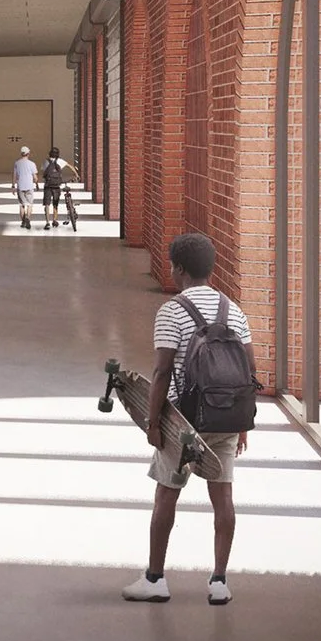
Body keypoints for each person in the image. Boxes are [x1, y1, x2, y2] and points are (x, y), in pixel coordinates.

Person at [123, 233, 252, 606]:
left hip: (183, 421)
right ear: (210, 268)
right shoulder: (234, 310)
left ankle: (155, 579)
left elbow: (162, 372)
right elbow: (248, 368)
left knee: (167, 493)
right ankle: (219, 581)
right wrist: (241, 423)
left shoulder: (172, 311)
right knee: (223, 496)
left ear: (178, 268)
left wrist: (152, 422)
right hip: (225, 414)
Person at [41, 147, 78, 230]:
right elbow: (70, 166)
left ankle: (47, 222)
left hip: (48, 186)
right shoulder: (60, 161)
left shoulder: (46, 161)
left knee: (47, 205)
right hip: (56, 186)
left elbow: (43, 172)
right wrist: (76, 175)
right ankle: (54, 220)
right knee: (55, 204)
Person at [11, 144, 40, 227]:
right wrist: (37, 184)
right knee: (30, 204)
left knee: (21, 205)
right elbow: (35, 177)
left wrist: (13, 186)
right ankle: (28, 218)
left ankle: (23, 222)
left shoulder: (17, 163)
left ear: (21, 154)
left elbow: (15, 176)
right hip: (29, 186)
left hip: (20, 186)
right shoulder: (32, 164)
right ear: (28, 153)